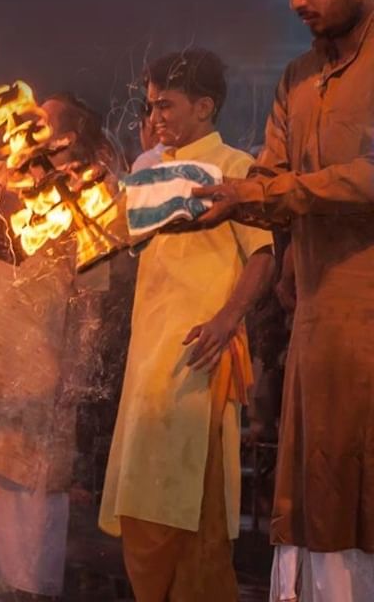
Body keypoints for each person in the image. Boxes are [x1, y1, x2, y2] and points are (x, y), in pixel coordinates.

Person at [183, 0, 374, 601]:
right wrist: (212, 198)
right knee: (317, 491)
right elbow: (268, 179)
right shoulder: (297, 80)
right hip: (319, 326)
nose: (297, 1)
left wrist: (277, 191)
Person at [0, 93, 120, 599]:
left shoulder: (94, 195)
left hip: (38, 368)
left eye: (38, 118)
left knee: (26, 526)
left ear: (67, 137)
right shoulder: (1, 174)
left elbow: (92, 304)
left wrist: (75, 378)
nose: (20, 121)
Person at [98, 48, 275, 600]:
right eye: (150, 107)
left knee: (195, 512)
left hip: (200, 360)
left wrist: (227, 319)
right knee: (142, 506)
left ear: (205, 106)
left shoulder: (237, 169)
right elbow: (109, 239)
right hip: (147, 361)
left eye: (167, 106)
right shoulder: (146, 171)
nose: (155, 119)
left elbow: (263, 256)